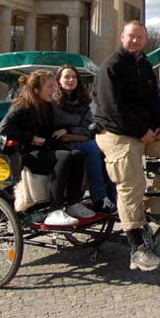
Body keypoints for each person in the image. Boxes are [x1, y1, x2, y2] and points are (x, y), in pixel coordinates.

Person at [93, 20, 160, 272]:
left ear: (145, 39)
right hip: (115, 133)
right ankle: (137, 248)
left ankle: (149, 210)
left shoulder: (145, 65)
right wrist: (141, 130)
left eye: (139, 37)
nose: (135, 40)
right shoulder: (110, 67)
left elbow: (155, 101)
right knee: (131, 183)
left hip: (144, 132)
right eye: (131, 36)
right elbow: (113, 108)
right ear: (122, 37)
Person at [0, 71, 90, 227]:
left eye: (54, 86)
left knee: (77, 154)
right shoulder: (21, 105)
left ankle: (74, 203)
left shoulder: (46, 106)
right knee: (64, 157)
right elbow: (3, 129)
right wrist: (31, 138)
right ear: (36, 89)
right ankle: (55, 210)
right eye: (49, 87)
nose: (53, 90)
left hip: (43, 150)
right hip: (26, 153)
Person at [52, 65, 116, 213]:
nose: (71, 80)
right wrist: (67, 132)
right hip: (60, 144)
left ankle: (113, 196)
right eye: (67, 77)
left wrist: (68, 130)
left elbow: (87, 127)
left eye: (74, 77)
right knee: (93, 148)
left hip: (80, 139)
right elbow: (54, 128)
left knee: (104, 148)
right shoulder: (52, 102)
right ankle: (99, 198)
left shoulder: (83, 101)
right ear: (58, 80)